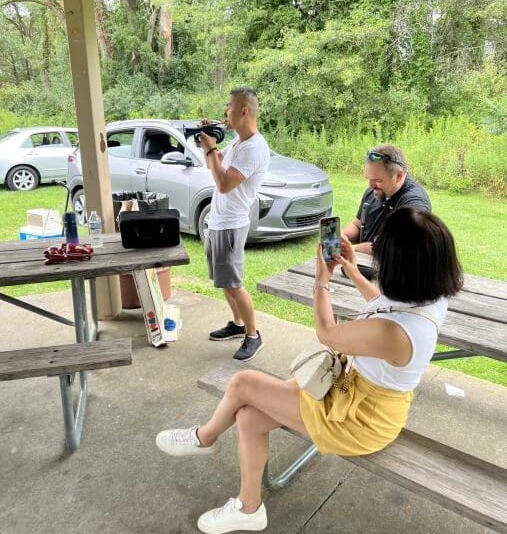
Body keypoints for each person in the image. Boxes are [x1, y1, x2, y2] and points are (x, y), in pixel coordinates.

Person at [155, 207, 463, 534]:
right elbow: (385, 306)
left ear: (402, 269)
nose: (376, 257)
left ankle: (204, 438)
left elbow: (328, 334)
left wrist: (322, 279)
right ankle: (249, 508)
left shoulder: (395, 335)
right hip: (355, 396)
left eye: (381, 253)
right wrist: (353, 270)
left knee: (243, 382)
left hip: (360, 420)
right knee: (247, 417)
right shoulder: (431, 297)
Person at [199, 86, 270, 361]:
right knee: (224, 282)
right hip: (218, 221)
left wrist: (212, 148)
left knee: (234, 283)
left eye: (228, 106)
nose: (224, 112)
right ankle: (238, 325)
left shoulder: (254, 148)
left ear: (243, 111)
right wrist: (209, 145)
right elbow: (214, 166)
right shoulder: (238, 143)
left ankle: (253, 335)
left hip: (231, 223)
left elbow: (225, 183)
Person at [342, 144, 431, 255]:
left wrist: (355, 250)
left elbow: (402, 248)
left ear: (398, 176)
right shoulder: (374, 192)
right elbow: (358, 225)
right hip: (364, 266)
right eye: (368, 178)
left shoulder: (414, 204)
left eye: (378, 180)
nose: (371, 186)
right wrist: (342, 237)